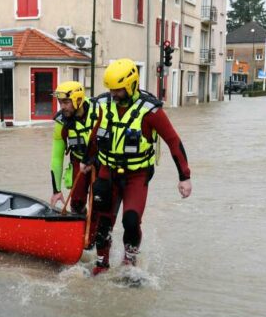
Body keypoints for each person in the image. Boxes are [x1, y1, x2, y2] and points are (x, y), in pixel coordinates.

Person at [82, 58, 192, 276]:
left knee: (131, 221)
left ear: (131, 85)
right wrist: (87, 160)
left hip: (137, 174)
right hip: (107, 170)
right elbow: (96, 135)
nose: (113, 94)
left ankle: (129, 260)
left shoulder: (151, 112)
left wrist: (184, 177)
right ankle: (102, 264)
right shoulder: (105, 105)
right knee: (103, 221)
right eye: (111, 90)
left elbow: (173, 141)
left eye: (118, 90)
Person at [49, 80, 99, 222]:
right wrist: (56, 191)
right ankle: (80, 226)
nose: (62, 107)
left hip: (101, 162)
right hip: (79, 161)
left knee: (100, 201)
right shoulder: (61, 123)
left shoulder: (100, 111)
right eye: (60, 102)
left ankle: (98, 233)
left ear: (78, 100)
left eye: (66, 102)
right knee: (76, 202)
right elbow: (56, 157)